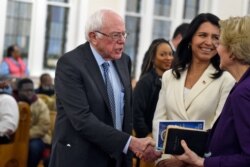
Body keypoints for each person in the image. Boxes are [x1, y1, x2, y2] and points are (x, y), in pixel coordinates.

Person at [48, 9, 161, 167]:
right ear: (94, 37)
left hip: (117, 158)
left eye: (124, 34)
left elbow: (125, 114)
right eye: (116, 35)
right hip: (81, 158)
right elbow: (82, 119)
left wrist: (130, 150)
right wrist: (130, 143)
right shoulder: (70, 64)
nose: (122, 41)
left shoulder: (124, 61)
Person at [152, 13, 235, 167]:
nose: (209, 42)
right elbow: (159, 121)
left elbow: (217, 131)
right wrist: (164, 159)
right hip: (167, 161)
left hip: (200, 162)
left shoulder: (226, 80)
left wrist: (184, 161)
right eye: (203, 35)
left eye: (216, 37)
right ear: (190, 39)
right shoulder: (169, 76)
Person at [175, 15, 250, 167]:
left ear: (232, 52)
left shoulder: (243, 93)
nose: (216, 47)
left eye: (220, 42)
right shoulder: (241, 86)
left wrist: (202, 162)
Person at [134, 39, 173, 167]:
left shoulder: (173, 80)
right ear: (153, 58)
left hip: (167, 142)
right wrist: (147, 135)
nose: (168, 58)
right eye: (163, 54)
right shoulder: (145, 82)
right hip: (149, 143)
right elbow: (136, 113)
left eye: (170, 54)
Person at [15, 78, 51, 167]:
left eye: (31, 90)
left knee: (33, 147)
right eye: (26, 90)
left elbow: (43, 127)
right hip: (15, 136)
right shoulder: (13, 102)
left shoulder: (40, 105)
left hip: (38, 137)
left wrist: (24, 136)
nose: (30, 93)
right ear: (19, 91)